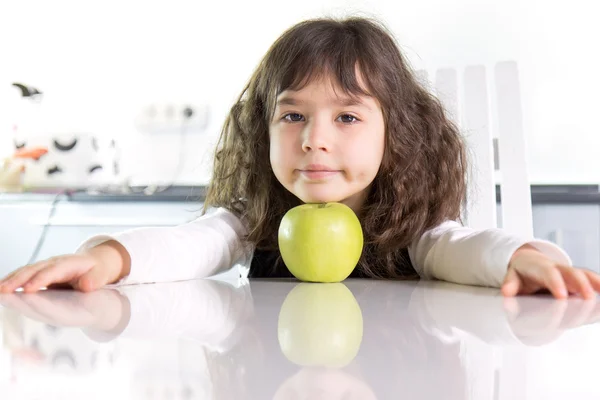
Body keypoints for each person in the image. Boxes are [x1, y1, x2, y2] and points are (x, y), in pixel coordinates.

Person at [1, 17, 599, 299]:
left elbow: (456, 245)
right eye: (292, 116)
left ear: (396, 133)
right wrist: (104, 258)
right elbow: (191, 242)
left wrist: (519, 254)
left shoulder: (406, 229)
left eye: (346, 116)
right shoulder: (256, 219)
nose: (314, 138)